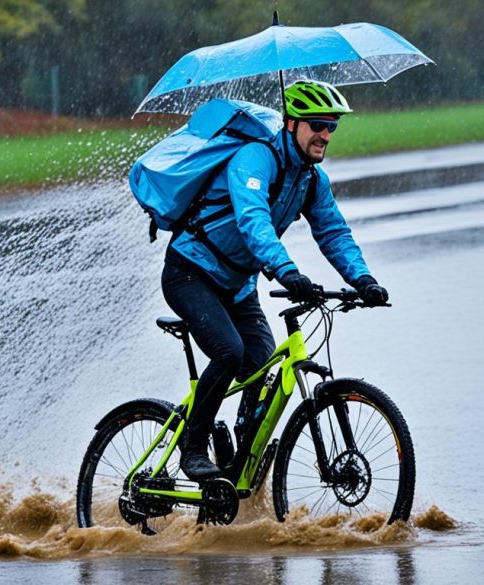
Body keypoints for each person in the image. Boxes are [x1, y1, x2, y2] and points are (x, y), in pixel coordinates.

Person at [160, 80, 390, 480]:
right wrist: (286, 270)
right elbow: (254, 221)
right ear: (291, 124)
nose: (326, 134)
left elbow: (334, 232)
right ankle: (193, 448)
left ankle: (239, 456)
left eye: (332, 126)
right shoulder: (254, 159)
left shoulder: (312, 180)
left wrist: (363, 279)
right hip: (190, 272)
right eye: (317, 124)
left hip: (237, 284)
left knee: (262, 361)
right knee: (229, 353)